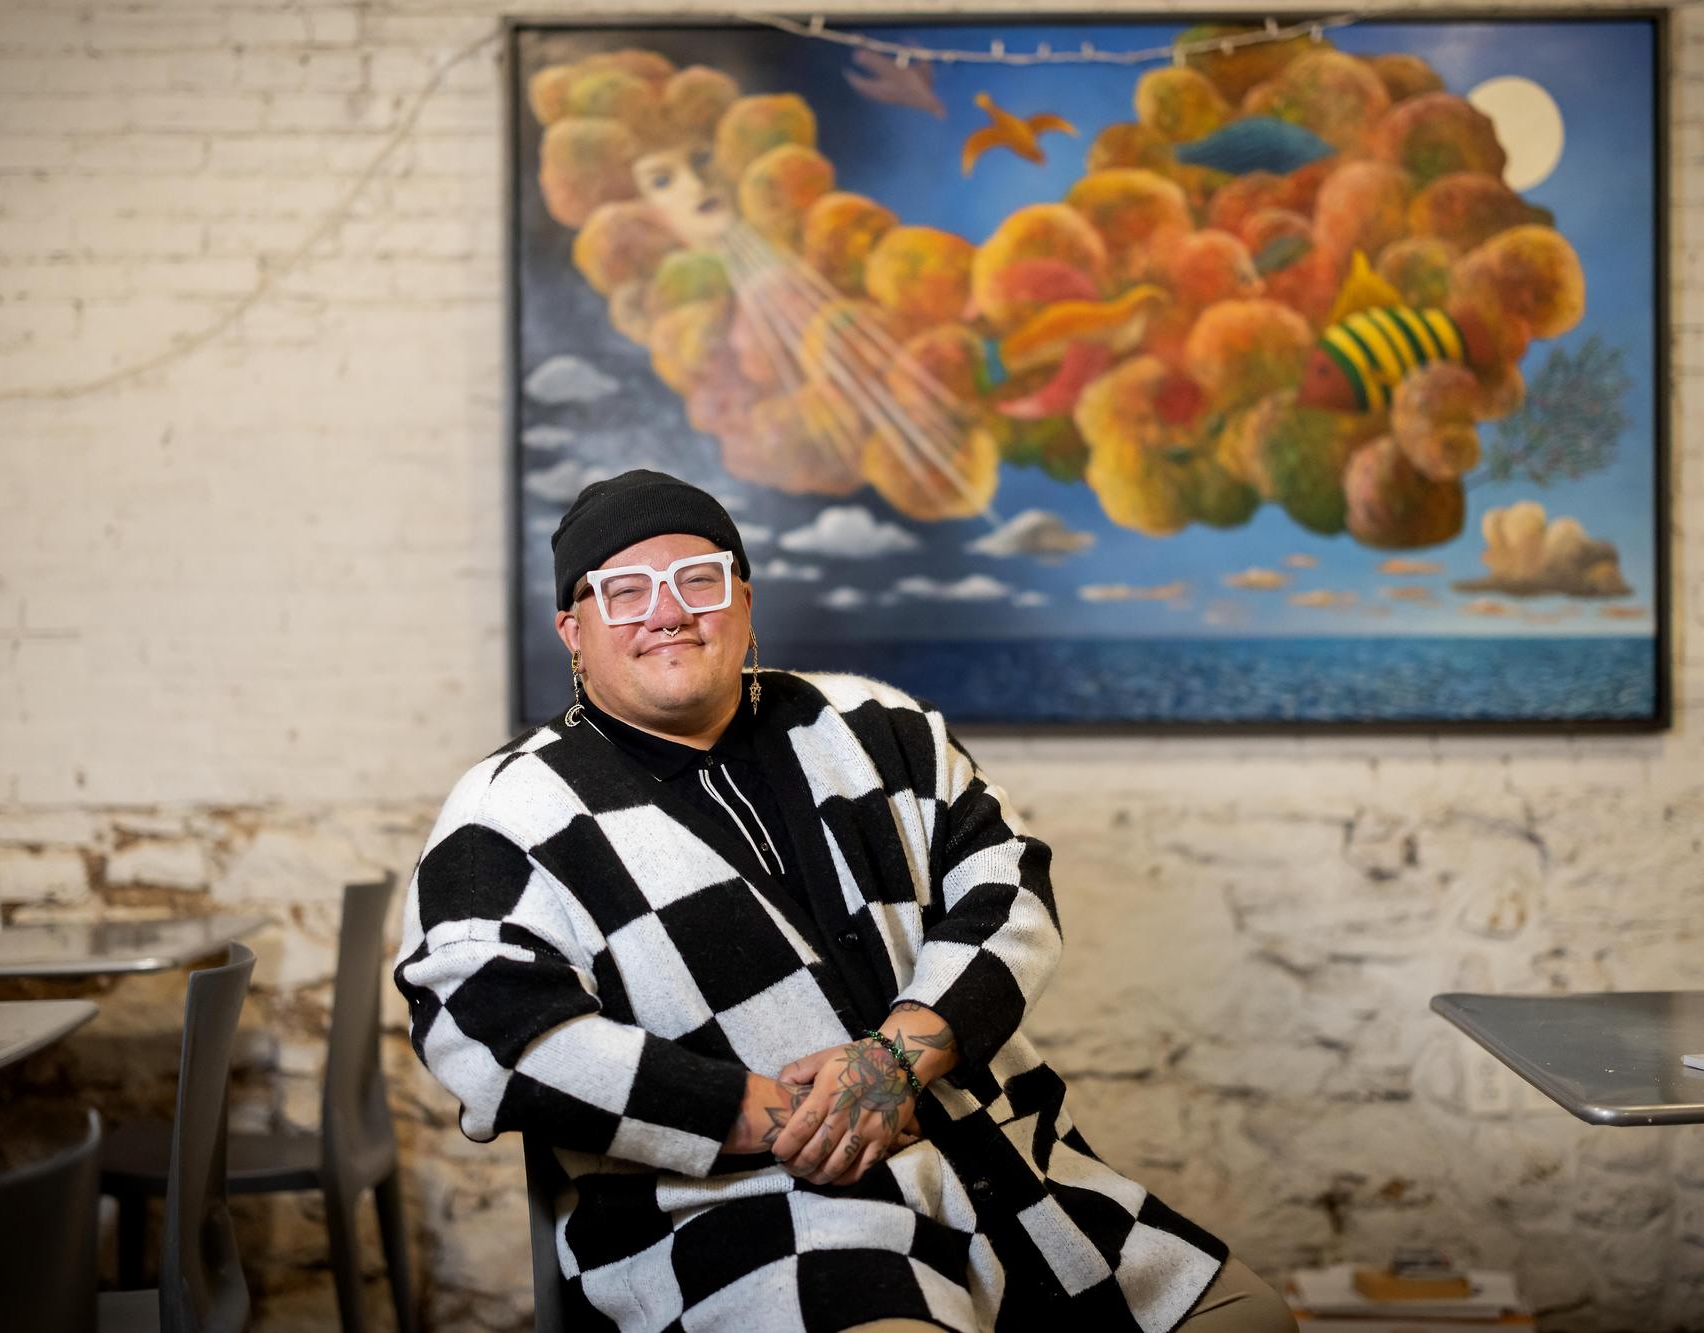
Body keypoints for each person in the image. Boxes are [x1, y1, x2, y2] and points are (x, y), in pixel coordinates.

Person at [394, 469, 1292, 1331]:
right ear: (572, 630)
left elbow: (1007, 883)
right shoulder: (507, 810)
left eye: (697, 580)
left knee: (1251, 1317)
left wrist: (896, 1060)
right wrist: (757, 1112)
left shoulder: (877, 726)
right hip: (736, 1215)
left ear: (745, 604)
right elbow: (483, 1029)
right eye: (624, 590)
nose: (666, 611)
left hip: (996, 1169)